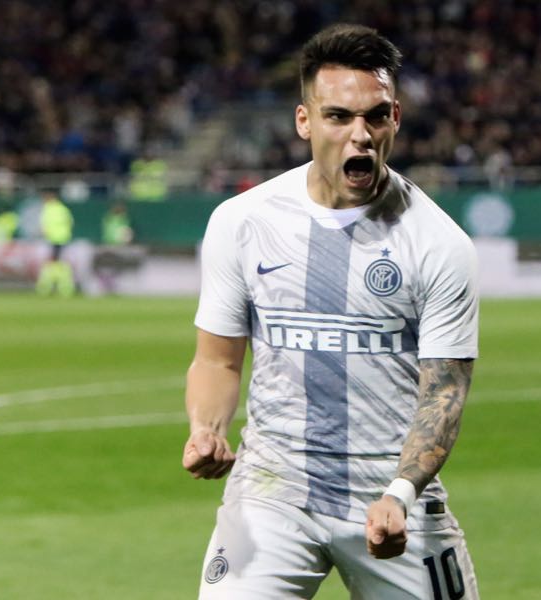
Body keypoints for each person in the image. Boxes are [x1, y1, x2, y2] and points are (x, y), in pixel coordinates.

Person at [182, 24, 480, 600]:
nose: (359, 135)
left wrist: (401, 492)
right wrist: (206, 429)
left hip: (391, 498)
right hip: (272, 491)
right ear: (305, 122)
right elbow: (217, 362)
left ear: (395, 118)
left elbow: (444, 392)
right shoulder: (242, 223)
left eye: (375, 117)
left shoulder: (439, 244)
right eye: (339, 116)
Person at [35, 191, 75, 297]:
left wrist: (44, 233)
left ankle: (49, 286)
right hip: (64, 238)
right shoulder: (63, 209)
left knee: (52, 264)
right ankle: (64, 287)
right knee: (60, 263)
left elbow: (43, 226)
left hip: (52, 239)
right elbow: (70, 222)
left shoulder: (48, 209)